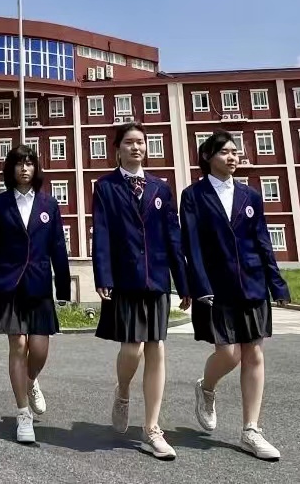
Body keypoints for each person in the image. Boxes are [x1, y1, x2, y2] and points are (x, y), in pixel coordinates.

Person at [180, 130, 290, 461]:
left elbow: (262, 240)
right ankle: (206, 387)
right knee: (229, 354)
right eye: (225, 152)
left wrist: (276, 283)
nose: (233, 157)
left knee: (254, 352)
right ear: (207, 157)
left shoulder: (250, 195)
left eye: (235, 151)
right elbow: (191, 244)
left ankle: (251, 430)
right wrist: (199, 285)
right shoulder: (193, 195)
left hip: (253, 283)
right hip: (216, 287)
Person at [91, 122, 190, 460]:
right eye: (129, 142)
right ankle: (122, 391)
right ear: (118, 148)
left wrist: (182, 282)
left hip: (157, 278)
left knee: (156, 347)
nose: (136, 147)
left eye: (141, 142)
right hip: (125, 278)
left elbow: (173, 237)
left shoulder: (161, 188)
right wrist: (103, 275)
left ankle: (151, 428)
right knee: (132, 349)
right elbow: (101, 233)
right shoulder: (105, 187)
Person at [0, 144, 71, 444]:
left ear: (36, 168)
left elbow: (58, 247)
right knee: (18, 344)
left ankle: (30, 381)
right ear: (11, 169)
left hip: (39, 285)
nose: (24, 168)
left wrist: (64, 287)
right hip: (9, 285)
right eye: (19, 163)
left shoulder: (48, 204)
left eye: (29, 163)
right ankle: (22, 414)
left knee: (39, 350)